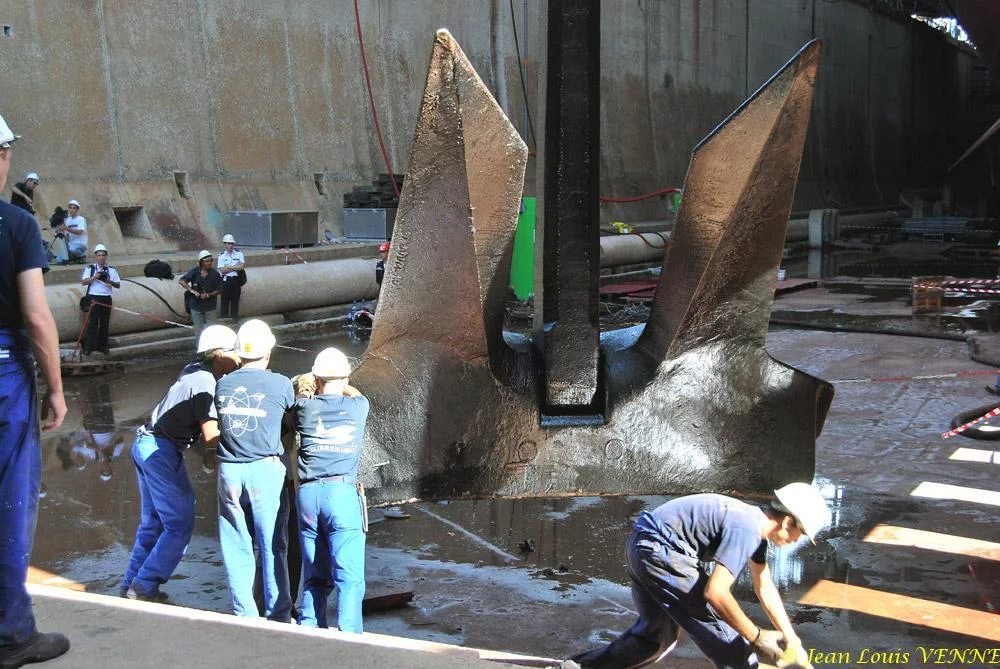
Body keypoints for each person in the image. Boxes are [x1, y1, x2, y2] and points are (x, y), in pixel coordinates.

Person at [571, 482, 831, 669]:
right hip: (661, 550)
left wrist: (791, 637)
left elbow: (764, 586)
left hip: (644, 546)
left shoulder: (753, 526)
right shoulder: (747, 530)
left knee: (655, 637)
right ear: (788, 522)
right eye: (801, 534)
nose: (797, 541)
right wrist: (757, 636)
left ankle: (576, 668)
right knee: (729, 641)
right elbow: (715, 593)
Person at [0, 112, 71, 667]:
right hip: (4, 373)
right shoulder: (15, 224)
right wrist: (56, 388)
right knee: (10, 505)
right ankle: (11, 634)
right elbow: (37, 317)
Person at [121, 325, 240, 602]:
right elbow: (211, 436)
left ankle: (131, 583)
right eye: (234, 354)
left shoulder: (192, 370)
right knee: (179, 524)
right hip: (161, 451)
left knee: (153, 524)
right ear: (219, 354)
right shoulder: (206, 383)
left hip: (146, 444)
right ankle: (144, 586)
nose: (238, 360)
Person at [214, 319, 295, 621]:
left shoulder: (223, 384)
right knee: (273, 545)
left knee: (236, 547)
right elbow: (293, 414)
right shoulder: (281, 383)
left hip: (230, 472)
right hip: (265, 471)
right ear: (269, 352)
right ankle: (278, 615)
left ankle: (244, 615)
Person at [291, 348, 370, 632]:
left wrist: (307, 385)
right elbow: (355, 392)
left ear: (316, 378)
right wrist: (341, 382)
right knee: (349, 577)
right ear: (345, 376)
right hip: (341, 494)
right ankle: (349, 635)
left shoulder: (303, 408)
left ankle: (310, 628)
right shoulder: (359, 407)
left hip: (309, 495)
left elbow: (300, 398)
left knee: (314, 575)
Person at [80, 244, 121, 356]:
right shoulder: (90, 268)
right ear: (96, 256)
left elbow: (118, 285)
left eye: (103, 255)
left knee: (104, 323)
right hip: (94, 297)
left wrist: (108, 281)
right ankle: (88, 347)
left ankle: (102, 346)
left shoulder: (111, 270)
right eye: (99, 255)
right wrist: (95, 277)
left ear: (106, 256)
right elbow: (83, 282)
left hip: (106, 298)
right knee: (92, 323)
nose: (101, 257)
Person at [178, 250, 223, 342]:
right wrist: (192, 290)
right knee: (198, 330)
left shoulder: (215, 274)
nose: (209, 263)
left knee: (211, 330)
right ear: (201, 262)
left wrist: (208, 295)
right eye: (206, 261)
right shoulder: (194, 272)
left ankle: (212, 349)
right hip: (196, 306)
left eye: (210, 261)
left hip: (210, 307)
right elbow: (182, 281)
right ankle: (200, 350)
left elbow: (219, 290)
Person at [217, 234, 246, 322]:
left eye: (232, 243)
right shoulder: (221, 255)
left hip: (236, 280)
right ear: (225, 244)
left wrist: (229, 267)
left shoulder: (239, 253)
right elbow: (222, 270)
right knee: (224, 302)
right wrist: (235, 267)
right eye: (229, 244)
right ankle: (224, 321)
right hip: (226, 280)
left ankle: (234, 320)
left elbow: (241, 267)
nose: (231, 246)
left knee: (235, 302)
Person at [53, 199, 87, 264]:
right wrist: (60, 229)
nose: (72, 210)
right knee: (59, 260)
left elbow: (79, 232)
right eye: (70, 208)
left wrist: (67, 228)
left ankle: (82, 256)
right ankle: (75, 258)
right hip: (70, 244)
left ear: (77, 209)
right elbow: (65, 232)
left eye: (74, 208)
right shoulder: (67, 220)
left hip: (81, 244)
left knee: (72, 249)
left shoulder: (81, 219)